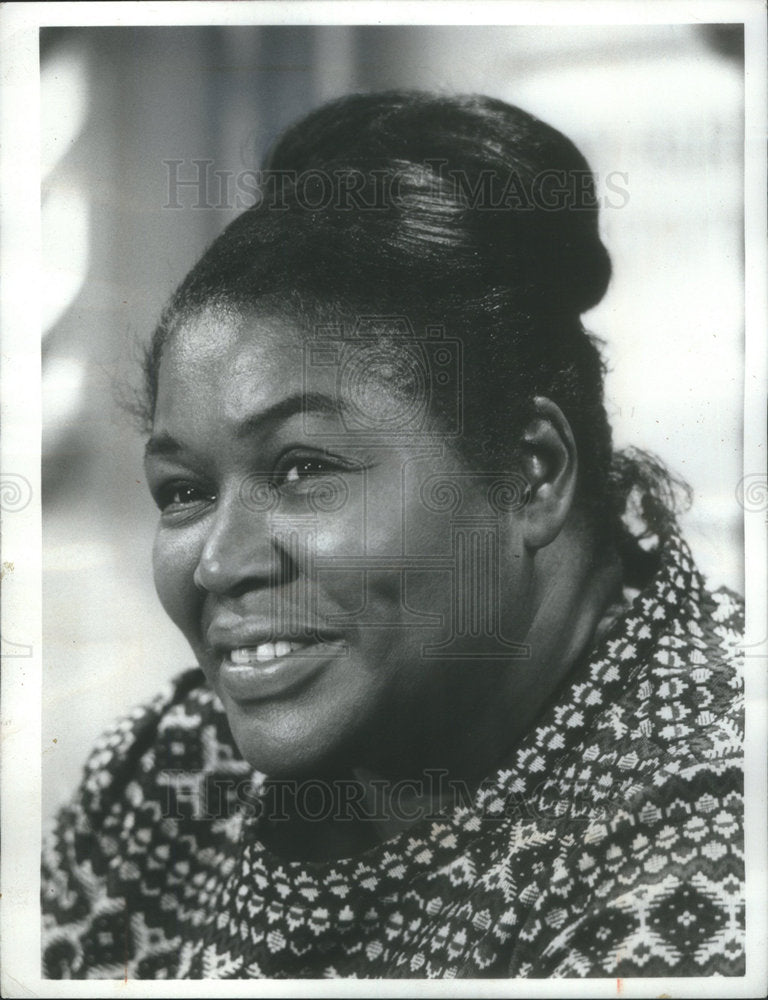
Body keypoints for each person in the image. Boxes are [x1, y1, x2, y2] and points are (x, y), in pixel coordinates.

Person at [41, 91, 744, 979]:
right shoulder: (167, 775)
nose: (218, 562)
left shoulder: (714, 839)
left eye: (303, 468)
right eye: (183, 491)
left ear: (530, 473)